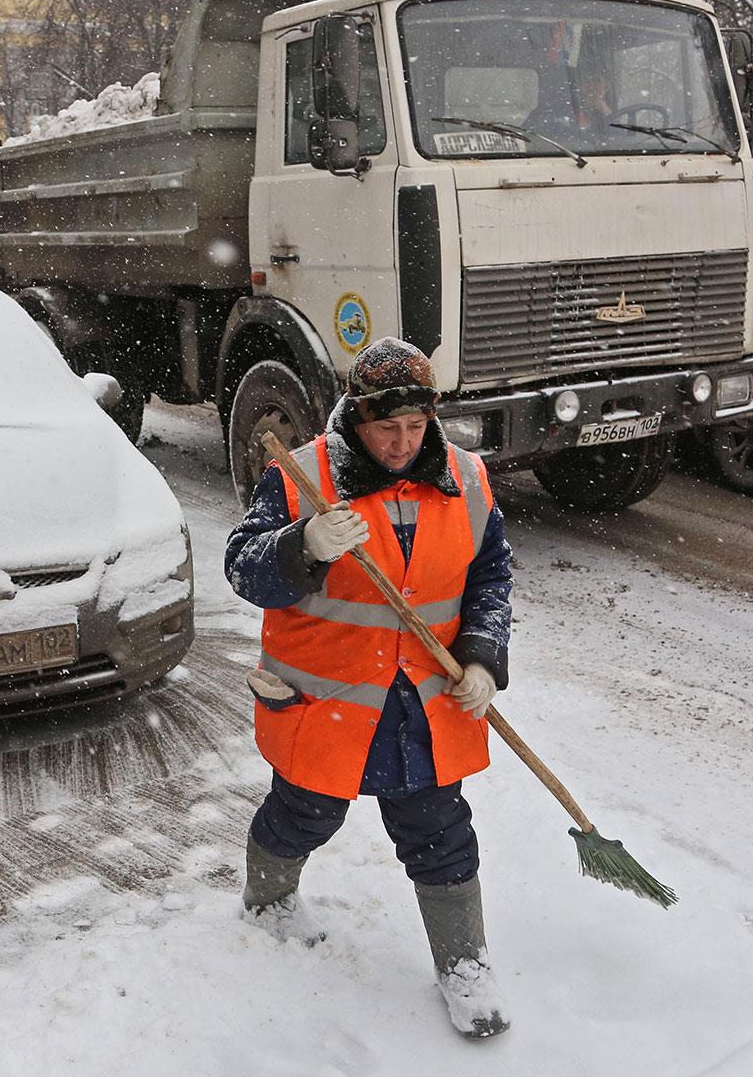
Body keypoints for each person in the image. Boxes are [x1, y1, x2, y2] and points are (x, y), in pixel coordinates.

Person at [225, 337, 515, 1038]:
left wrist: (481, 657)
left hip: (423, 705)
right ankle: (269, 901)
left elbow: (491, 578)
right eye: (387, 427)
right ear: (355, 417)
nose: (401, 442)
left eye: (416, 427)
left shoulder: (467, 478)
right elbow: (243, 568)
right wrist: (305, 546)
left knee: (441, 832)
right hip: (327, 703)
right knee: (304, 817)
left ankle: (465, 968)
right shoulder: (301, 476)